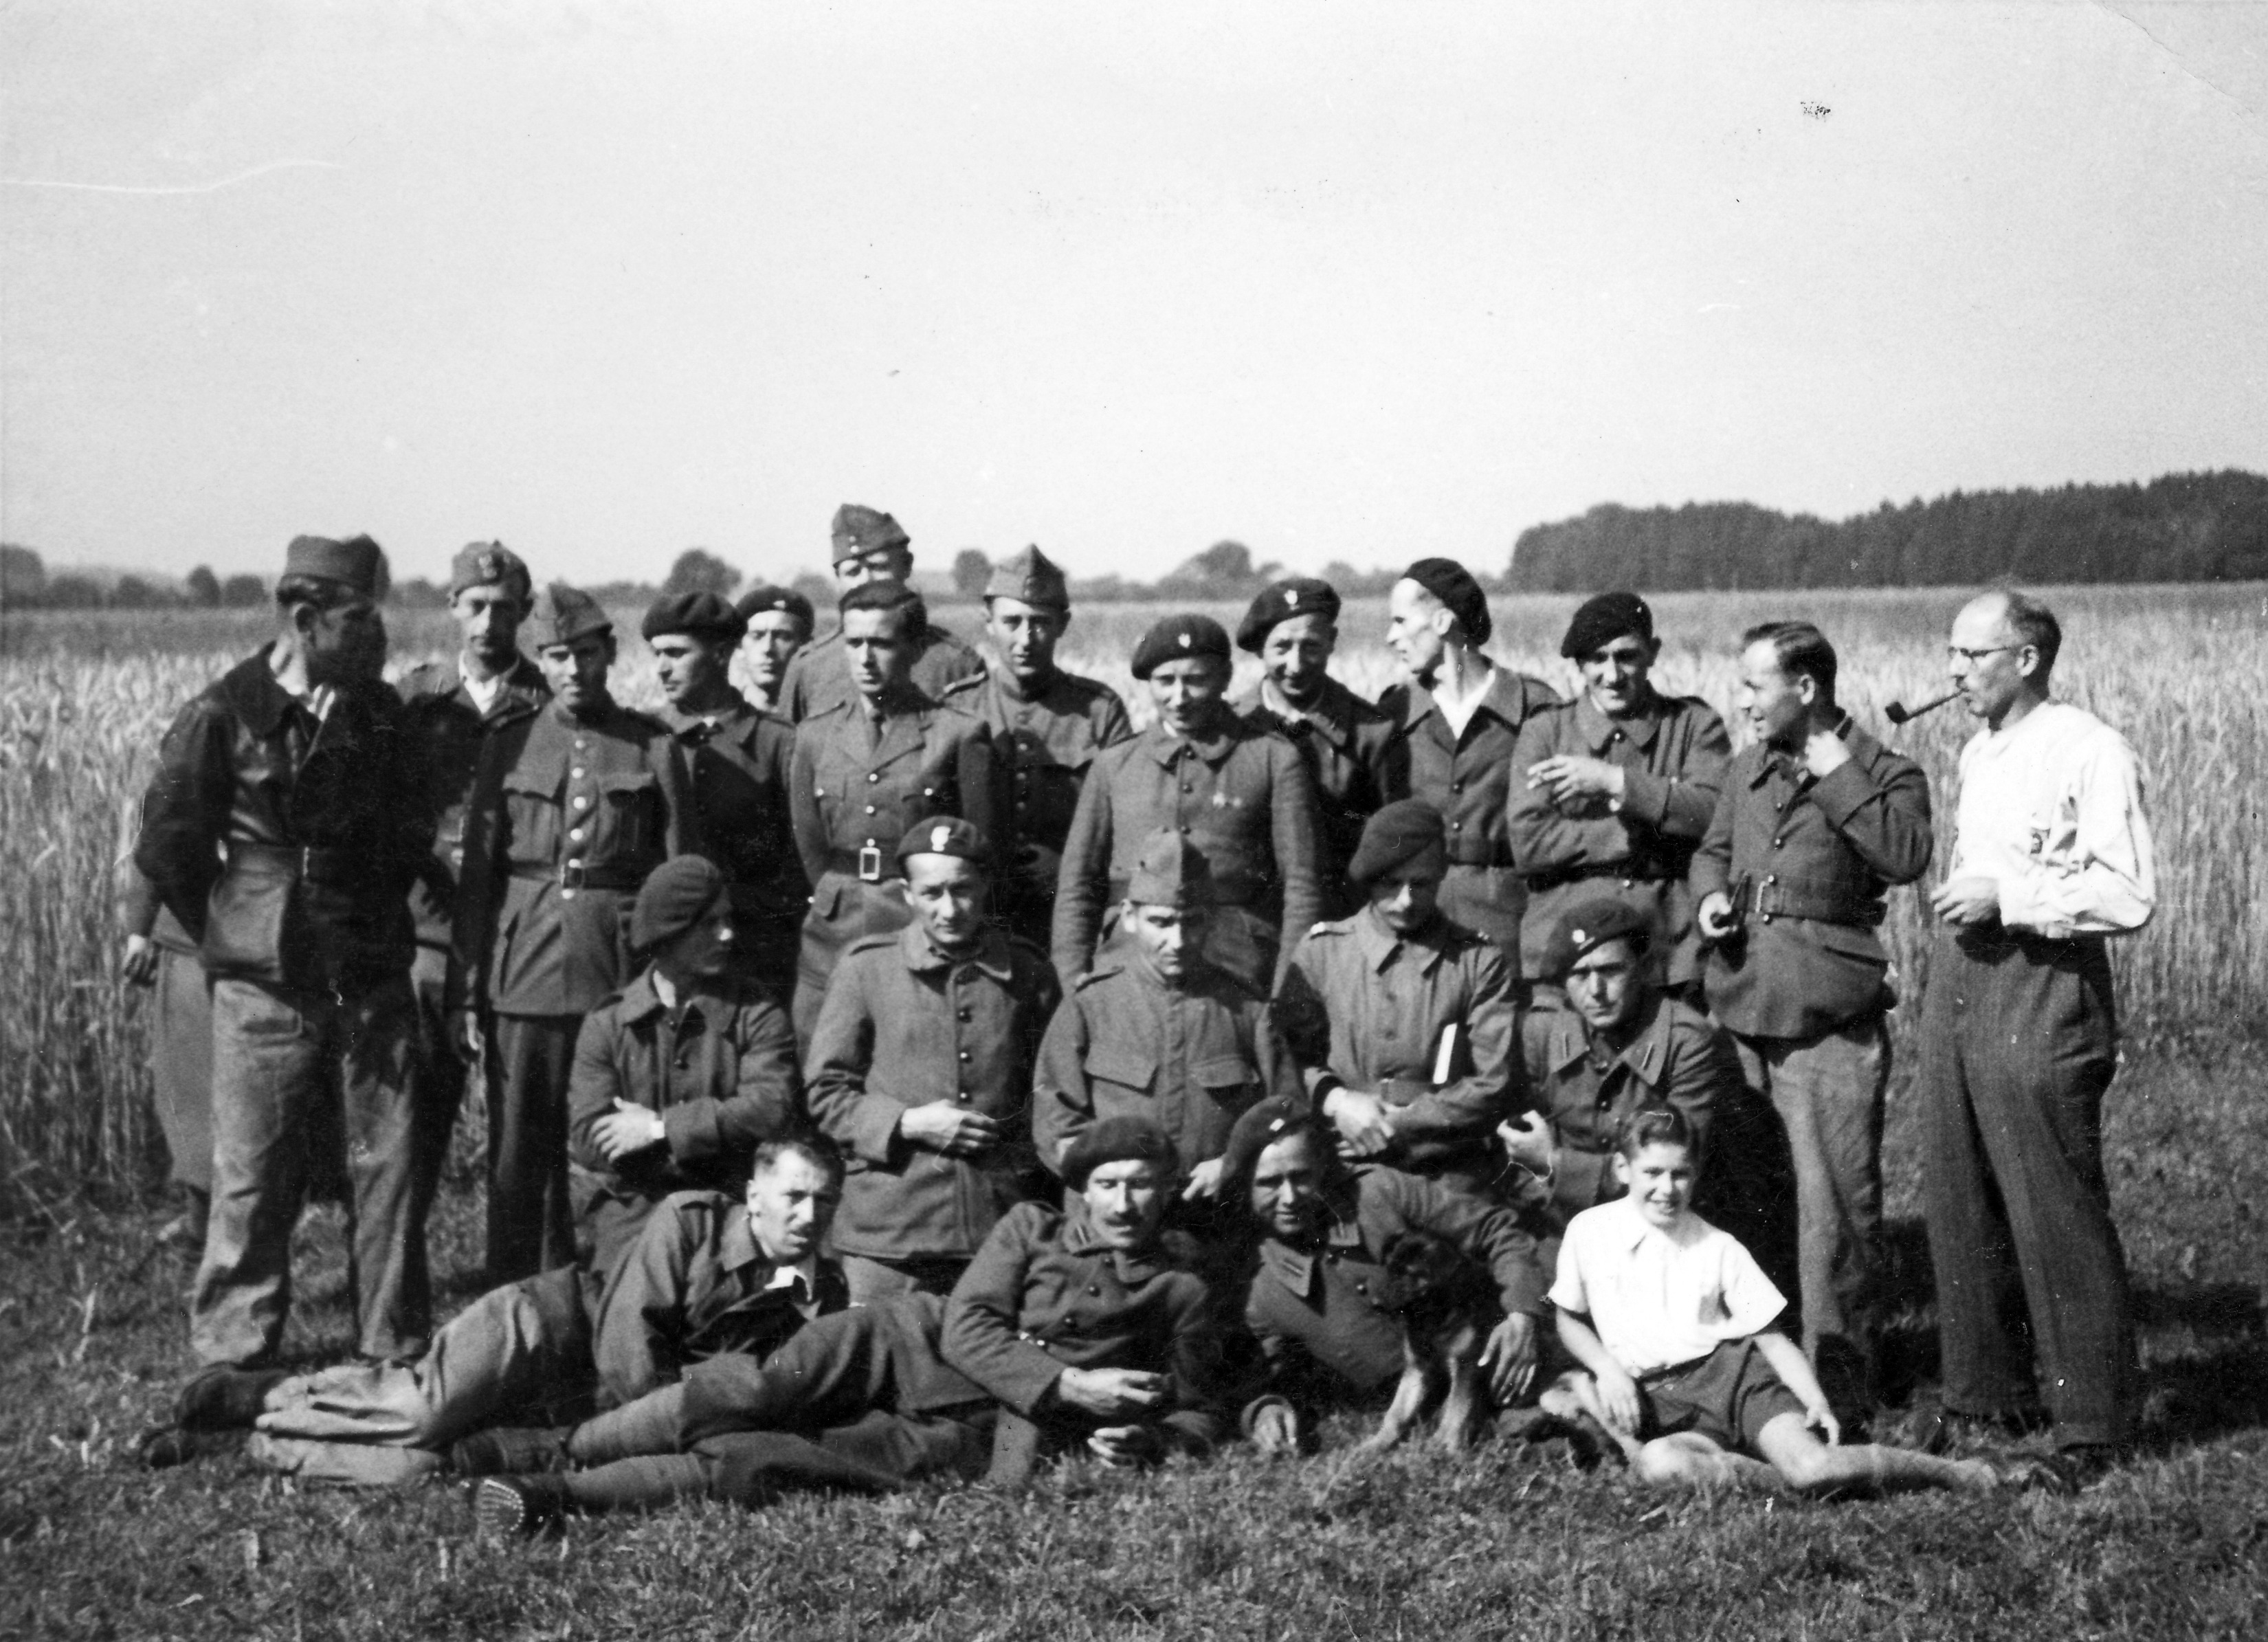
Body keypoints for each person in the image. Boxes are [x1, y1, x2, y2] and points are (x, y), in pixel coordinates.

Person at [471, 1118, 1225, 1532]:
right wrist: (1070, 1385)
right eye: (1107, 1185)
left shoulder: (1183, 1289)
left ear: (1167, 1192)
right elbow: (967, 1326)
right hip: (907, 1342)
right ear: (1082, 1190)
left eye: (1142, 1186)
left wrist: (1151, 1438)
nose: (1124, 1204)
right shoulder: (1031, 1227)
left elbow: (1200, 1409)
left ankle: (554, 1494)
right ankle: (557, 1444)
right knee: (757, 1386)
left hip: (988, 1427)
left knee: (783, 1457)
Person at [134, 533, 434, 1366]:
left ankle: (393, 1342)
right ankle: (235, 1353)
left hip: (370, 979)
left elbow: (410, 828)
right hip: (265, 991)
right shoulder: (221, 713)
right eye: (360, 619)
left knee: (388, 1166)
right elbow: (167, 846)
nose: (380, 635)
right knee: (253, 1174)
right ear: (306, 620)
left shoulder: (380, 712)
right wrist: (238, 928)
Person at [140, 1140, 846, 1488]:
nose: (808, 1215)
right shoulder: (690, 1219)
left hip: (576, 1403)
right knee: (420, 1409)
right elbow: (628, 1351)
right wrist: (649, 1431)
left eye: (825, 1201)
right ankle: (269, 1393)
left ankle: (251, 1444)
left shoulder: (814, 1296)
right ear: (755, 1194)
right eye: (794, 1196)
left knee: (416, 1469)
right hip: (543, 1329)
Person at [1918, 591, 2154, 1473]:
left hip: (2044, 984)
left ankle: (2094, 1423)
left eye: (1972, 655)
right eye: (1951, 653)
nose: (1954, 671)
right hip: (1964, 976)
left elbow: (2128, 894)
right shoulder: (1980, 749)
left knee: (2053, 1199)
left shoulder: (2089, 749)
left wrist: (2008, 898)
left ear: (2025, 659)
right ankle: (1990, 1396)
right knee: (1962, 1188)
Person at [1546, 1109, 2058, 1496]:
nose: (1667, 1189)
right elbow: (1568, 1318)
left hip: (1733, 1380)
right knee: (1660, 1465)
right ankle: (1789, 1481)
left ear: (1696, 1173)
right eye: (1652, 1173)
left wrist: (1815, 1401)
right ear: (1623, 1169)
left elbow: (1772, 1339)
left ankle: (1964, 1473)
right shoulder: (1590, 1232)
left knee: (1814, 1466)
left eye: (1680, 1174)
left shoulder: (1717, 1246)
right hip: (1655, 1399)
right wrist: (1606, 1368)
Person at [1690, 621, 1931, 1422]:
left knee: (1834, 1211)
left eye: (1754, 685)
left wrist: (1840, 776)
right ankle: (1749, 1374)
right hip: (1742, 1002)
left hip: (1825, 1012)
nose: (1743, 700)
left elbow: (1905, 854)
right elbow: (1712, 850)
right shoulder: (1747, 767)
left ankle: (1841, 1381)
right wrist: (1710, 898)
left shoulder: (1886, 773)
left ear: (1805, 688)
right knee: (1741, 1195)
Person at [454, 582, 697, 1283]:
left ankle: (613, 1292)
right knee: (517, 1153)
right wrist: (467, 990)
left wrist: (671, 981)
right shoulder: (508, 743)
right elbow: (479, 879)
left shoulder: (652, 746)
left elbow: (679, 876)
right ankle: (515, 1300)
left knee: (612, 1145)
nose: (573, 669)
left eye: (586, 654)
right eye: (558, 656)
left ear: (608, 655)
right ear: (541, 658)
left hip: (616, 973)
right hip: (523, 972)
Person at [804, 819, 1060, 1303]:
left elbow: (1052, 1092)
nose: (949, 909)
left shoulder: (1028, 971)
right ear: (907, 894)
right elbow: (826, 1091)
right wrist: (907, 1123)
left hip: (997, 1227)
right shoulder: (866, 968)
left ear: (985, 886)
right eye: (932, 893)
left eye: (962, 890)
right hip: (890, 1228)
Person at [1228, 1099, 1547, 1454]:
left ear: (1322, 1168)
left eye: (1301, 1177)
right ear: (1244, 1188)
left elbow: (1497, 1231)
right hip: (1423, 1402)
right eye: (1269, 1183)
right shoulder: (1260, 1289)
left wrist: (1522, 1313)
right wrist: (1267, 1408)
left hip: (1496, 1360)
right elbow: (1268, 1374)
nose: (1289, 1197)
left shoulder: (1380, 1191)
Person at [1498, 900, 1780, 1280]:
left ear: (1643, 969)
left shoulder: (1687, 1041)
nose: (1596, 991)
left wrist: (1554, 1164)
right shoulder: (1542, 1034)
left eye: (1610, 971)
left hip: (1662, 1234)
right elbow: (1516, 1159)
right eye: (1579, 975)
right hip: (1564, 1230)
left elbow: (1672, 1168)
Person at [397, 542, 549, 1214]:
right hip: (431, 936)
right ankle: (402, 1267)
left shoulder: (549, 702)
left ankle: (519, 1267)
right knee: (414, 1120)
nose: (490, 622)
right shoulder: (415, 699)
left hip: (519, 937)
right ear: (453, 606)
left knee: (522, 1127)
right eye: (477, 606)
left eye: (505, 608)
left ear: (526, 611)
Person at [1053, 613, 1321, 994]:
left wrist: (1286, 990)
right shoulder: (1114, 765)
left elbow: (1302, 886)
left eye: (1196, 681)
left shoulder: (1272, 759)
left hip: (1237, 965)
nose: (1179, 698)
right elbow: (1078, 884)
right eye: (1165, 681)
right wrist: (1073, 982)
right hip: (1127, 961)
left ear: (1225, 677)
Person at [786, 577, 1003, 1043]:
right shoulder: (814, 735)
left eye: (881, 643)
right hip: (834, 926)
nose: (865, 658)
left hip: (918, 925)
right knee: (821, 1049)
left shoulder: (957, 735)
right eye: (854, 643)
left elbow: (981, 844)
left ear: (915, 648)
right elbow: (810, 843)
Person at [1032, 829, 1301, 1204]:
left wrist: (1232, 1162)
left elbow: (1287, 1109)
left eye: (1192, 922)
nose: (1177, 941)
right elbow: (1056, 1122)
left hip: (1212, 1215)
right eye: (1160, 922)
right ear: (1129, 917)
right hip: (1113, 1218)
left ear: (1212, 919)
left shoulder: (1248, 1010)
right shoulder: (1090, 1006)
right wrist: (1109, 1187)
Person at [566, 856, 802, 1277]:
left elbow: (770, 1109)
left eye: (727, 919)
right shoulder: (608, 1024)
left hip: (730, 1208)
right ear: (667, 933)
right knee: (633, 1302)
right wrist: (716, 1131)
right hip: (634, 1215)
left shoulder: (757, 1014)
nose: (727, 934)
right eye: (708, 924)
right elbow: (590, 1139)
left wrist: (658, 1129)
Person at [1273, 799, 1519, 1195]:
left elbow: (1494, 1082)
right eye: (1391, 884)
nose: (1406, 900)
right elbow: (1286, 1057)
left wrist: (1397, 1124)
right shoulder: (1321, 953)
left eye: (1421, 884)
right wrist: (1337, 1101)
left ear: (1440, 877)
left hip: (1446, 1171)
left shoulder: (1477, 961)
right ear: (1369, 880)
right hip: (1344, 1166)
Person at [1509, 592, 1730, 993]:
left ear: (1653, 653)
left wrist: (1616, 782)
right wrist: (1644, 829)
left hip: (1667, 948)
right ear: (1580, 664)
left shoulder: (1694, 725)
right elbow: (1529, 844)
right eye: (1597, 659)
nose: (1612, 675)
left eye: (1626, 656)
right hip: (1567, 947)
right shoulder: (1545, 733)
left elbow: (1715, 814)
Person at [942, 546, 1132, 948]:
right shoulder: (959, 706)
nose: (1025, 639)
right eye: (1011, 622)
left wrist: (1073, 871)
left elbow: (1125, 816)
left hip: (1070, 908)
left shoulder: (1098, 710)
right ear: (988, 623)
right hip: (979, 909)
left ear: (1063, 624)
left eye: (1040, 623)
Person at [1378, 558, 1559, 979]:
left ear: (1443, 622)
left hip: (1513, 920)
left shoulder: (1535, 707)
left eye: (1401, 621)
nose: (1391, 637)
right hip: (1418, 917)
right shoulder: (1393, 714)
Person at [643, 591, 808, 1002]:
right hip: (668, 952)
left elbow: (800, 857)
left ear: (720, 655)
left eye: (677, 653)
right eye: (657, 654)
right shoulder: (647, 740)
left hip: (755, 948)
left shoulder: (777, 743)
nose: (662, 668)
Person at [1230, 577, 1403, 920]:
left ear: (1331, 642)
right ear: (1260, 648)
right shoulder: (1231, 729)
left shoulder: (1371, 734)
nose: (1296, 665)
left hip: (1342, 916)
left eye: (1310, 646)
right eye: (1281, 648)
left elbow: (1391, 841)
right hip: (1251, 921)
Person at [776, 504, 983, 722]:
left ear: (906, 567)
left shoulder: (955, 663)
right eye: (853, 572)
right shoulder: (810, 667)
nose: (866, 581)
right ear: (838, 578)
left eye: (879, 567)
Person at [114, 841, 214, 1253]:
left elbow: (159, 841)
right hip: (245, 946)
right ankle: (205, 1221)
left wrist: (139, 933)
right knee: (197, 1091)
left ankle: (204, 1228)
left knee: (195, 1092)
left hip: (198, 947)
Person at [731, 582, 815, 715]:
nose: (767, 649)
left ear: (806, 646)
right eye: (757, 636)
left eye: (783, 637)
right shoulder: (719, 719)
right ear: (739, 647)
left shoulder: (820, 716)